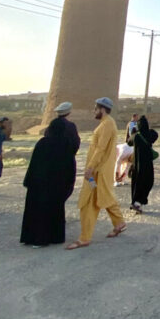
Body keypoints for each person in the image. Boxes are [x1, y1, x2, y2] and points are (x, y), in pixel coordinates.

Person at [67, 98, 126, 249]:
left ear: (102, 109)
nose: (94, 111)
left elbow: (101, 149)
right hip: (100, 170)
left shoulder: (107, 125)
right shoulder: (107, 123)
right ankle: (119, 222)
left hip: (98, 171)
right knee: (104, 196)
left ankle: (84, 238)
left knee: (89, 202)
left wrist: (90, 168)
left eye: (96, 109)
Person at [19, 117, 77, 247]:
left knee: (38, 212)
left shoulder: (43, 143)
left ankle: (35, 238)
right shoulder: (66, 144)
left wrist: (28, 181)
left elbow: (33, 164)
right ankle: (55, 237)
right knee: (55, 211)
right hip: (57, 186)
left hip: (39, 185)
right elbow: (70, 167)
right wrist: (68, 186)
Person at [129, 115, 159, 213]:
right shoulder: (150, 134)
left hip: (136, 165)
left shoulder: (136, 136)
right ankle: (138, 203)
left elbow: (129, 142)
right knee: (148, 183)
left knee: (136, 184)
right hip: (147, 165)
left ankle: (136, 202)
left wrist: (134, 132)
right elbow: (156, 134)